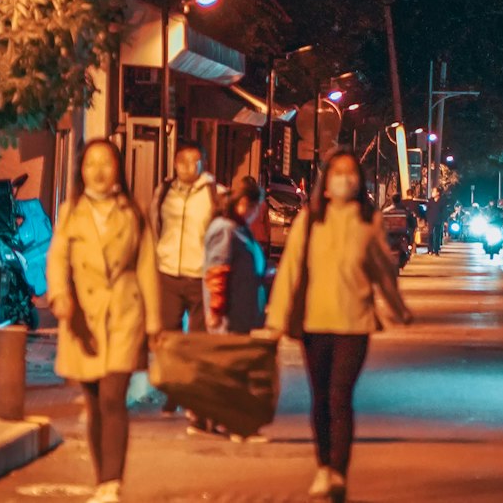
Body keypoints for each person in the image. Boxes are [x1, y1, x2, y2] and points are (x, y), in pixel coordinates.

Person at [266, 149, 413, 502]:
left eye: (351, 173)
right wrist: (275, 320)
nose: (345, 178)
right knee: (320, 399)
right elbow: (290, 270)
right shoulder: (310, 220)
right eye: (338, 173)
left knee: (339, 396)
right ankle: (323, 467)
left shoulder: (368, 222)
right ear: (326, 183)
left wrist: (397, 309)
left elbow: (382, 271)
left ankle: (338, 473)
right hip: (314, 322)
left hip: (354, 323)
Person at [47, 140, 161, 503]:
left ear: (118, 169)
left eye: (106, 163)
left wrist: (155, 322)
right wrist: (60, 296)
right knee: (95, 402)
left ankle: (112, 482)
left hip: (124, 313)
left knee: (114, 397)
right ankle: (102, 480)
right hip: (83, 317)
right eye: (90, 163)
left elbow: (147, 267)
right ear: (81, 170)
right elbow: (57, 260)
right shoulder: (70, 212)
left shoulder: (133, 211)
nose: (98, 171)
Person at [150, 141, 218, 341]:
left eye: (194, 161)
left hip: (200, 276)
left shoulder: (215, 193)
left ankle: (194, 371)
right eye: (182, 161)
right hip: (168, 274)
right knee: (168, 335)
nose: (187, 166)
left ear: (203, 163)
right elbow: (155, 224)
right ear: (174, 163)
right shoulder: (163, 191)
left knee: (198, 337)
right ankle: (173, 371)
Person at [203, 177, 267, 336]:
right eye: (256, 207)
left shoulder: (239, 229)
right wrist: (216, 311)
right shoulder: (225, 230)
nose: (257, 213)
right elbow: (218, 271)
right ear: (245, 203)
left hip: (240, 320)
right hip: (228, 322)